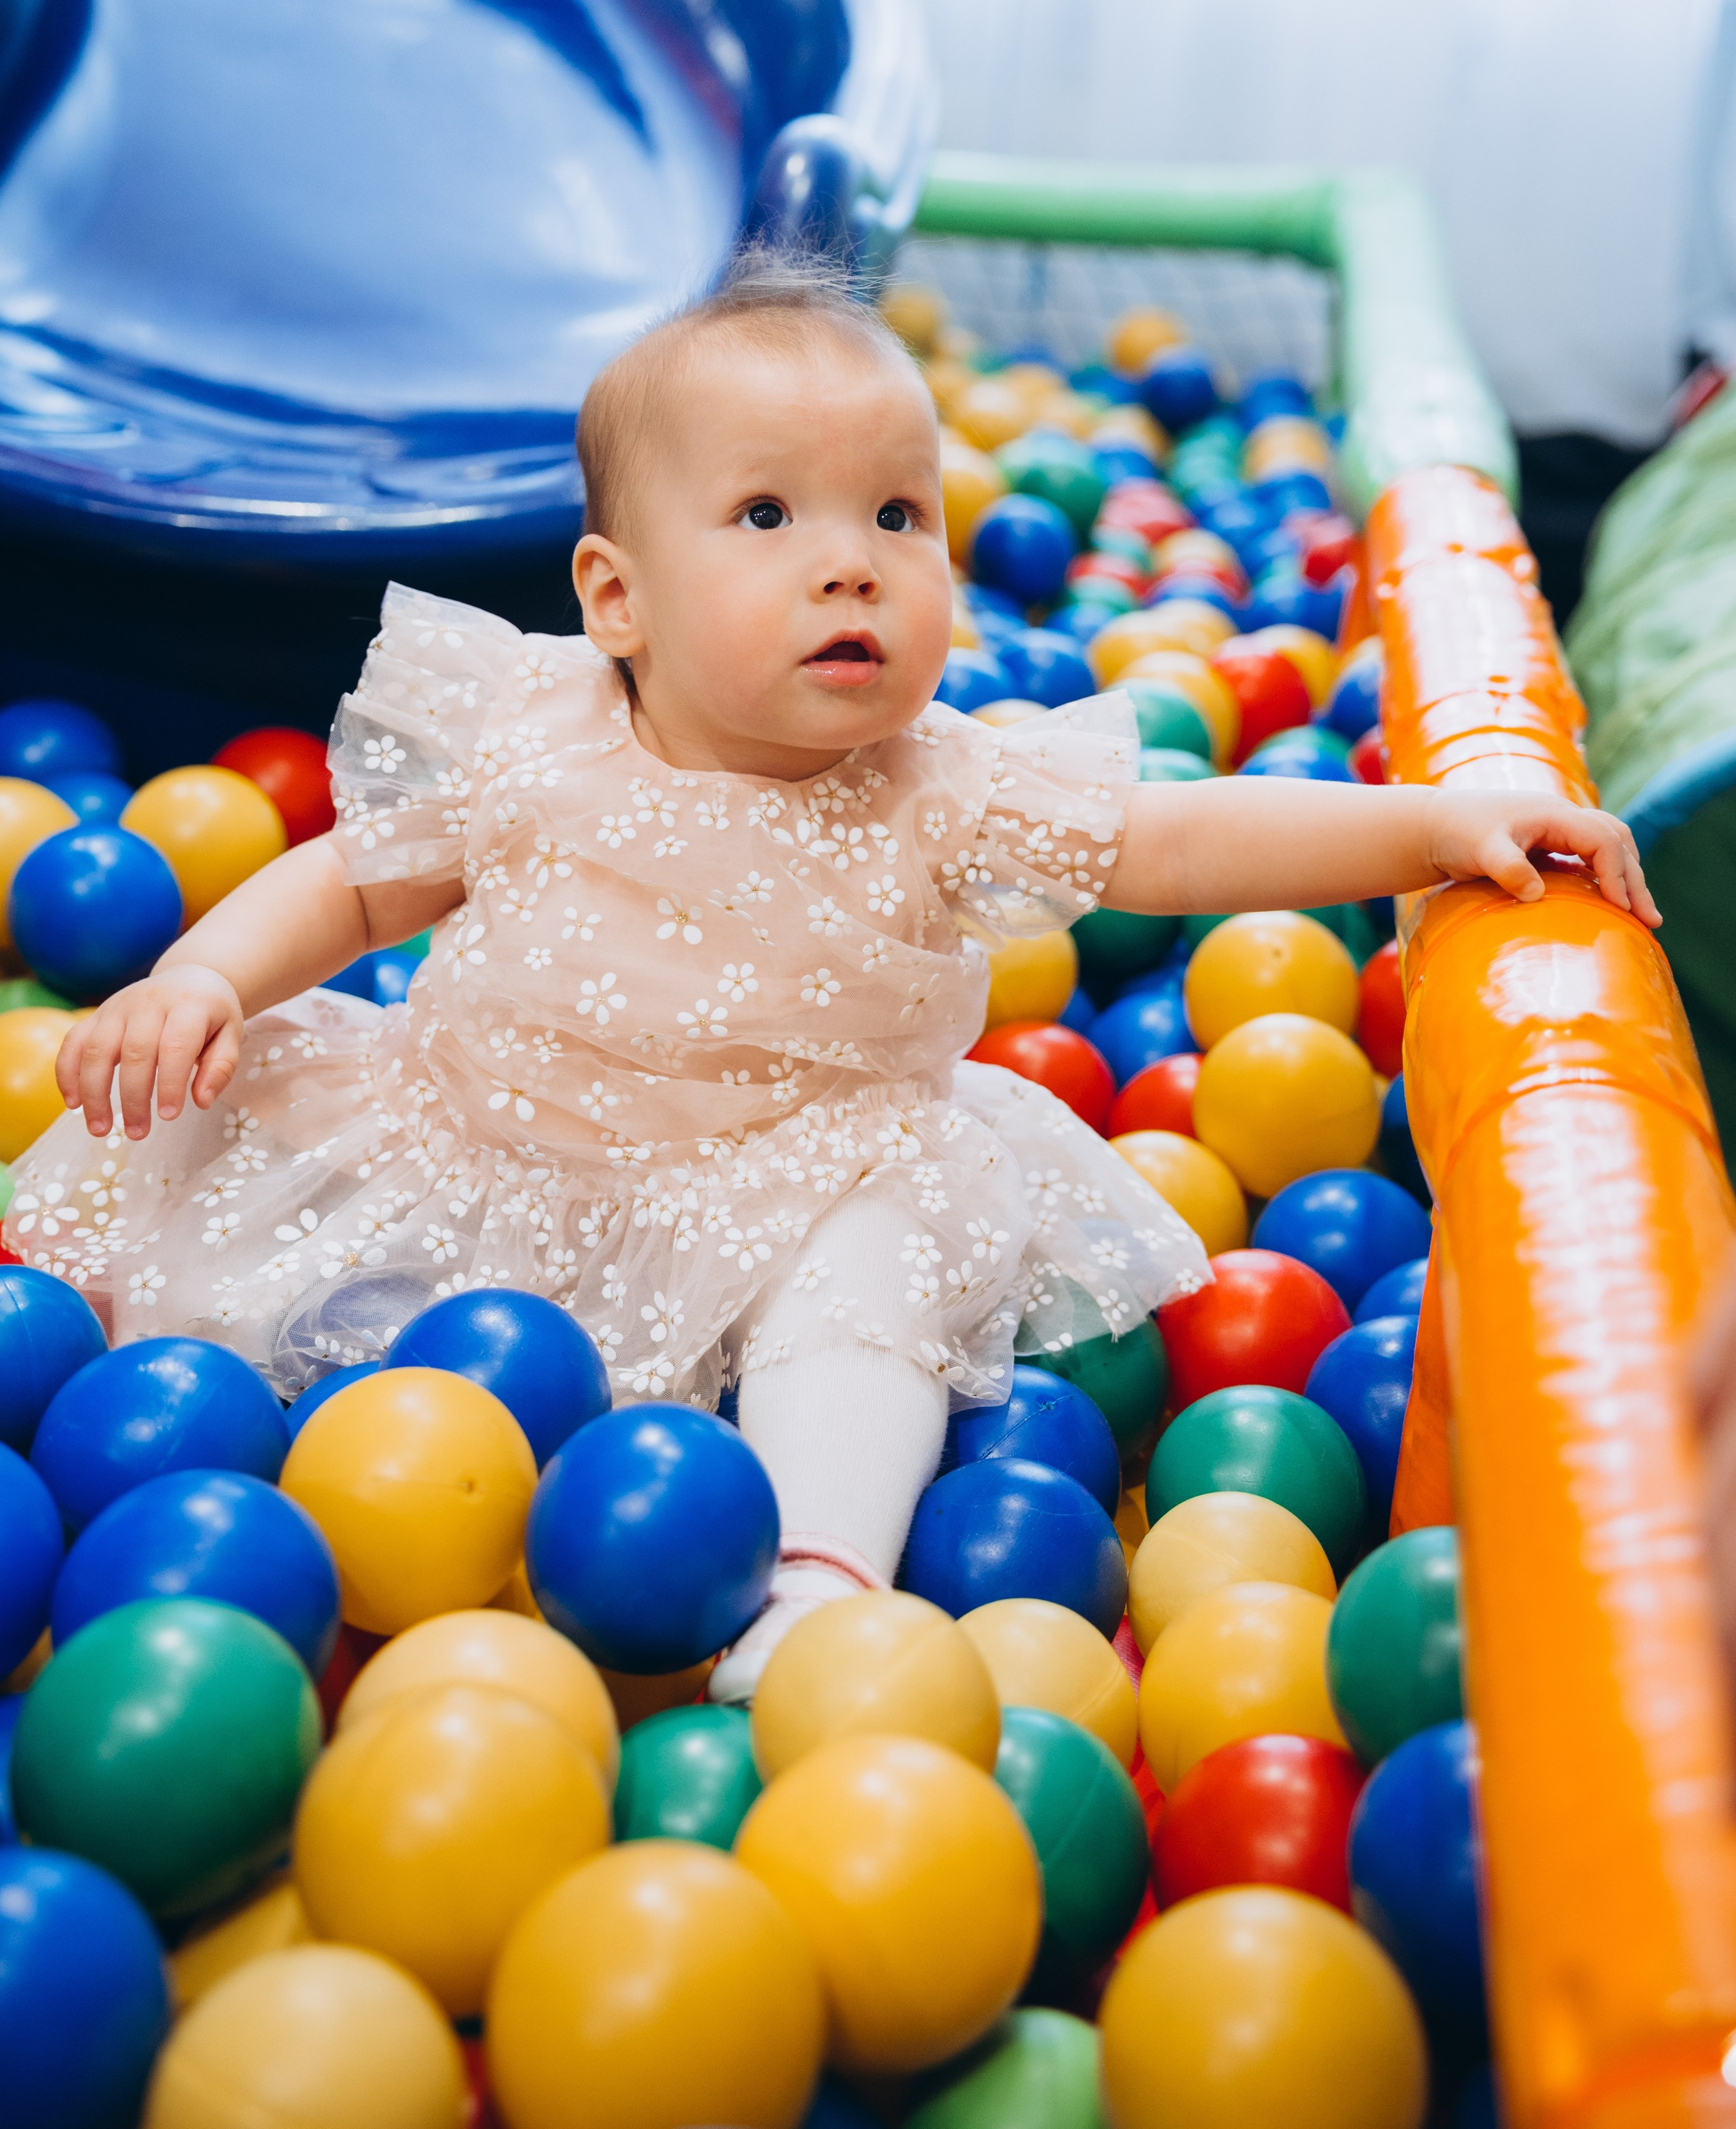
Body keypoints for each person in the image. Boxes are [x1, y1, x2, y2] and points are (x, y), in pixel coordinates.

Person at [2, 257, 1658, 1697]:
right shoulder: (529, 729)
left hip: (788, 1179)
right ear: (616, 598)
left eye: (896, 516)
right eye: (767, 517)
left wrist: (1434, 821)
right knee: (232, 1178)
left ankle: (811, 1577)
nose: (851, 563)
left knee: (872, 1274)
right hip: (481, 1141)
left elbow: (1173, 837)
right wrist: (202, 976)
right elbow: (353, 882)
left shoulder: (937, 786)